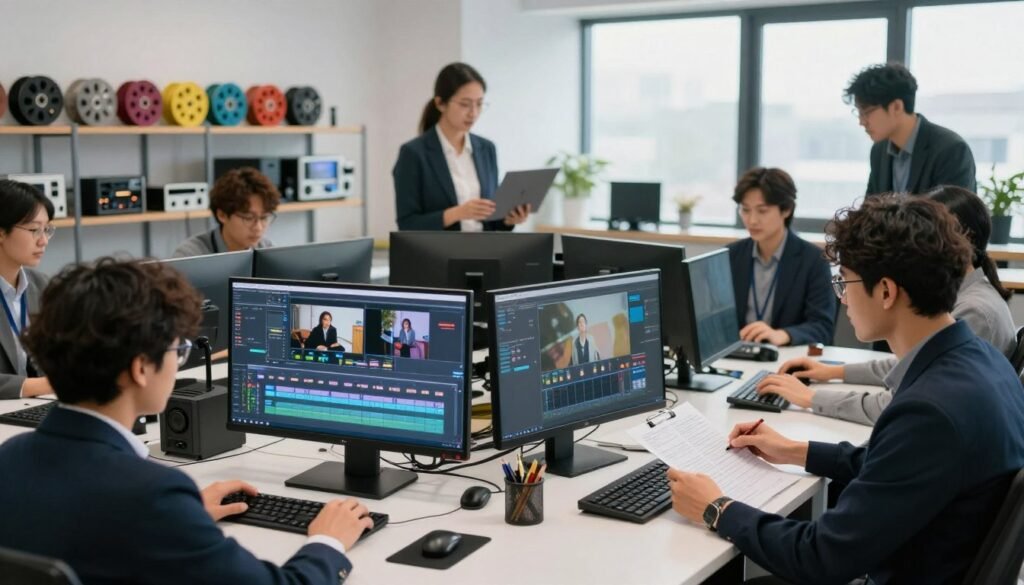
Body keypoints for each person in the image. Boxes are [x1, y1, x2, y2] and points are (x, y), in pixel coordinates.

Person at [667, 195, 1024, 584]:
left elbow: (820, 557)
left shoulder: (931, 411)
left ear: (886, 291)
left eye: (845, 282)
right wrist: (794, 450)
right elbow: (893, 466)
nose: (842, 297)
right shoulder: (983, 362)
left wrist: (716, 508)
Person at [0, 258, 373, 584]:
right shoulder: (152, 496)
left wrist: (185, 519)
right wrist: (328, 541)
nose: (178, 364)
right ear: (141, 368)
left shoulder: (9, 458)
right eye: (177, 351)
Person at [762, 186, 1017, 426]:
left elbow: (901, 406)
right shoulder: (962, 303)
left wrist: (812, 398)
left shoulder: (975, 312)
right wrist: (832, 372)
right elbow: (908, 363)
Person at [393, 62, 530, 231]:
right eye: (465, 104)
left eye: (479, 104)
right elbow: (407, 224)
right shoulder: (413, 154)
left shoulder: (487, 149)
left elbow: (492, 218)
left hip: (486, 246)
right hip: (440, 248)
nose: (473, 113)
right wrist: (457, 213)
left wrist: (509, 219)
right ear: (440, 103)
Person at [726, 168, 836, 346]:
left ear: (786, 210)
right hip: (739, 354)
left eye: (762, 211)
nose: (752, 220)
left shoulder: (813, 260)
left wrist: (784, 335)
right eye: (745, 210)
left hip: (789, 356)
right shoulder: (730, 256)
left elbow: (823, 327)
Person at [845, 62, 976, 195]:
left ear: (897, 107)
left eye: (866, 112)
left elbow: (955, 208)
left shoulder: (950, 150)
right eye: (859, 113)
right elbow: (871, 205)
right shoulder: (879, 151)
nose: (861, 122)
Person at [0, 180, 55, 399]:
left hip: (38, 404)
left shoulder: (43, 286)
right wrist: (42, 386)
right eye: (34, 230)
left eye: (47, 230)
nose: (43, 241)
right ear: (1, 233)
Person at [173, 167, 280, 257]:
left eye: (264, 217)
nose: (258, 228)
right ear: (222, 215)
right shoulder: (190, 255)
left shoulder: (267, 250)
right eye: (248, 218)